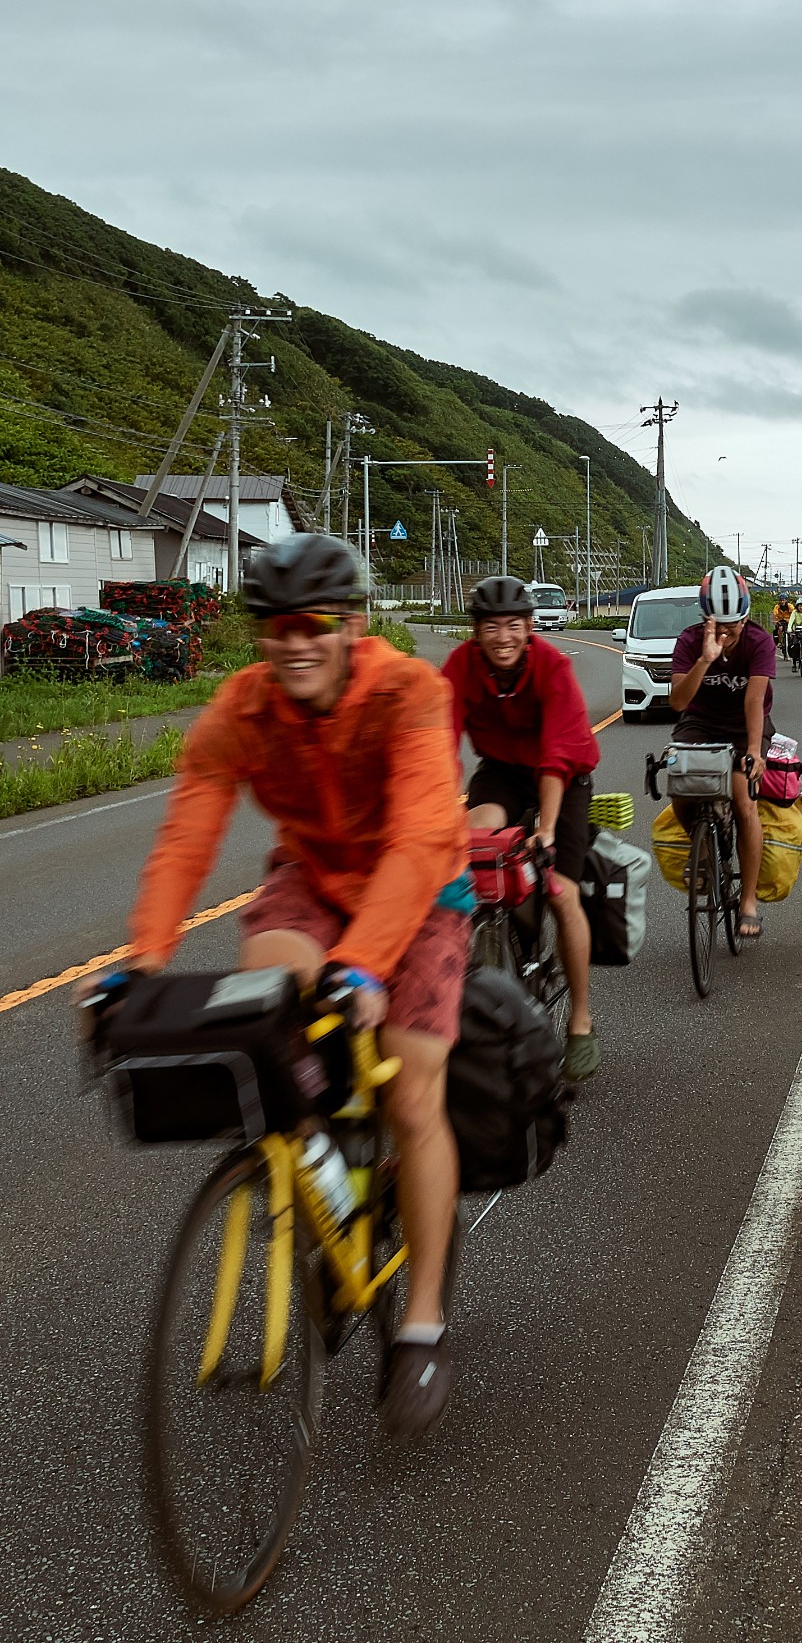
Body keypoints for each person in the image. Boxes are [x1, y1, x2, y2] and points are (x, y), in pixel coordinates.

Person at [117, 533, 470, 1441]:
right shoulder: (242, 707)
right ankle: (320, 1176)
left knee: (413, 1083)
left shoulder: (407, 693)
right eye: (274, 625)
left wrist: (364, 965)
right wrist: (142, 963)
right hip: (312, 879)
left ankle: (422, 1325)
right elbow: (187, 835)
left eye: (313, 622)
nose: (292, 641)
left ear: (351, 625)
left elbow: (425, 837)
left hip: (420, 887)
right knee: (261, 1015)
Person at [440, 576, 602, 1083]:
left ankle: (580, 1022)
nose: (503, 636)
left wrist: (547, 830)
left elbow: (556, 757)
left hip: (563, 776)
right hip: (503, 774)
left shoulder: (553, 668)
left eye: (514, 625)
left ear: (530, 628)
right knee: (473, 845)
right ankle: (489, 950)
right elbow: (440, 744)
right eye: (491, 626)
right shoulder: (461, 668)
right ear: (475, 632)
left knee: (561, 891)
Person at [670, 566, 775, 941]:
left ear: (746, 617)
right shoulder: (690, 641)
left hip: (743, 725)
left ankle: (748, 901)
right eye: (720, 625)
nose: (728, 634)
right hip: (700, 722)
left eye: (735, 625)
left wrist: (752, 751)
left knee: (742, 796)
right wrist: (705, 659)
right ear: (706, 621)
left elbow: (754, 698)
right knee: (681, 786)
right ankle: (701, 852)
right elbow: (679, 701)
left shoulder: (760, 642)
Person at [770, 591, 795, 658]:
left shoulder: (790, 606)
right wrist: (775, 619)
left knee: (791, 630)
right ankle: (780, 642)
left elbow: (794, 612)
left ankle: (792, 640)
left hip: (788, 620)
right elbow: (774, 613)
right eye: (781, 600)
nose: (782, 601)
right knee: (780, 629)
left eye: (783, 600)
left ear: (786, 600)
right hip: (780, 620)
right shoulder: (777, 607)